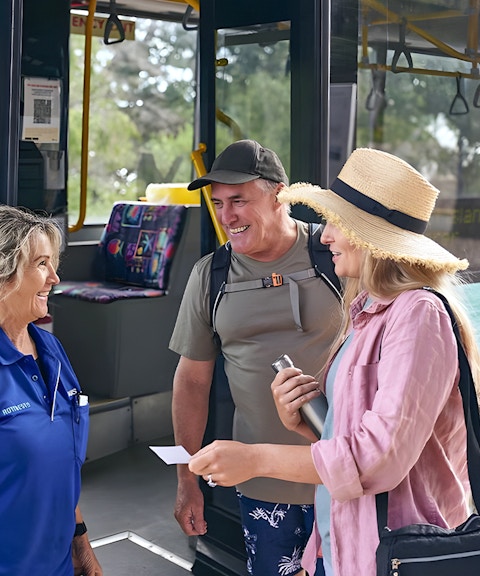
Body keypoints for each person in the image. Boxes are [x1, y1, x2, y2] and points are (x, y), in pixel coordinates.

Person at [187, 147, 480, 576]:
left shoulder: (419, 314)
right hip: (348, 542)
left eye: (336, 224)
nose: (324, 237)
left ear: (371, 238)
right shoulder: (369, 310)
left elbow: (377, 458)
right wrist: (304, 421)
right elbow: (361, 436)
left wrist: (255, 459)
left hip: (397, 548)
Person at [169, 139, 342, 576]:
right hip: (262, 485)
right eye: (219, 203)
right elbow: (192, 382)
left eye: (239, 200)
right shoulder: (211, 275)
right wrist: (187, 480)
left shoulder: (335, 254)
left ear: (279, 194)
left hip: (345, 477)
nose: (227, 216)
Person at [0, 205, 102, 576]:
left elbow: (61, 467)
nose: (54, 278)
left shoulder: (52, 351)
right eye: (42, 264)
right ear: (4, 273)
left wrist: (81, 546)